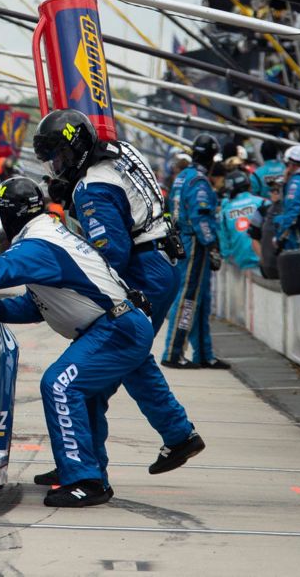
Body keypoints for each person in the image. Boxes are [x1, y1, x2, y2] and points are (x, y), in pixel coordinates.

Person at [0, 177, 203, 508]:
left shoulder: (40, 242)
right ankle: (143, 448)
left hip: (115, 326)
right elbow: (38, 304)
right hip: (120, 323)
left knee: (59, 385)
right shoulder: (48, 235)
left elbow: (7, 268)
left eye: (2, 215)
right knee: (92, 394)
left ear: (13, 215)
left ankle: (85, 479)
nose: (0, 223)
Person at [29, 109, 195, 485]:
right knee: (129, 357)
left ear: (77, 149)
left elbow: (111, 253)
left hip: (140, 270)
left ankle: (85, 462)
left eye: (60, 157)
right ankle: (173, 435)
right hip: (161, 260)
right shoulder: (120, 152)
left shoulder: (93, 189)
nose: (57, 167)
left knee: (97, 365)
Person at [163, 134, 226, 369]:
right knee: (187, 300)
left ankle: (204, 354)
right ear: (210, 157)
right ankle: (172, 352)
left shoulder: (182, 177)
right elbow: (201, 218)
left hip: (183, 240)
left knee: (200, 300)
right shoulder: (199, 182)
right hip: (195, 244)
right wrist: (212, 245)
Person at [216, 169, 267, 271]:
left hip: (241, 264)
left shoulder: (225, 212)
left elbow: (224, 246)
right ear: (248, 185)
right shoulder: (263, 202)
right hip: (266, 261)